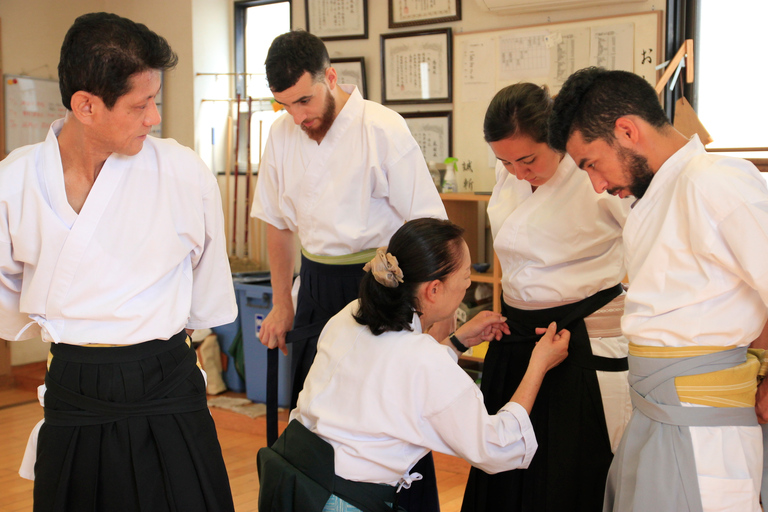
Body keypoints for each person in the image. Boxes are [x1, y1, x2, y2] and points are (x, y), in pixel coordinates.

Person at [3, 13, 237, 511]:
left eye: (155, 100)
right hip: (77, 382)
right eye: (141, 105)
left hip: (169, 378)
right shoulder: (14, 182)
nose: (154, 117)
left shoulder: (182, 171)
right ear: (85, 105)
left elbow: (208, 284)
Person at [549, 66, 768, 512]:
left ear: (627, 130)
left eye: (591, 164)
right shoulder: (656, 196)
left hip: (706, 424)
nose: (597, 185)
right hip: (654, 408)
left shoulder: (718, 181)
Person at [250, 30, 447, 510]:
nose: (298, 116)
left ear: (330, 77)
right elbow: (277, 225)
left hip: (380, 287)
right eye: (284, 106)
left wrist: (436, 318)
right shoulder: (280, 136)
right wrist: (282, 303)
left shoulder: (383, 129)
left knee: (388, 412)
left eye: (304, 100)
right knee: (315, 414)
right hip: (314, 286)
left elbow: (431, 228)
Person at [257, 218, 571, 512]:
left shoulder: (352, 314)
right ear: (433, 289)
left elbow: (401, 381)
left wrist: (459, 341)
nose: (466, 289)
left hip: (292, 478)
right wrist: (538, 365)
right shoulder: (422, 358)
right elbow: (496, 446)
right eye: (465, 281)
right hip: (338, 499)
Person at [460, 83, 632, 512]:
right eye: (505, 161)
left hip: (581, 336)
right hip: (516, 336)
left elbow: (649, 246)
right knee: (508, 465)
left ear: (556, 138)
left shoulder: (594, 175)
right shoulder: (510, 174)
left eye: (528, 159)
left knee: (570, 474)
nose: (517, 171)